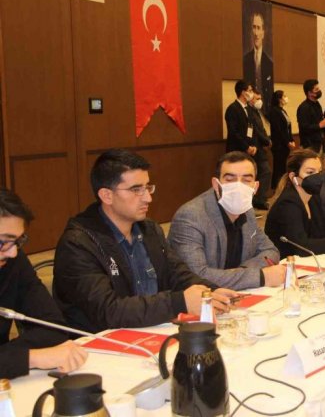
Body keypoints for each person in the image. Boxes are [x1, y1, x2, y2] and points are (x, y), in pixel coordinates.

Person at [53, 149, 238, 333]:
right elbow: (108, 311)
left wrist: (210, 292)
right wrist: (179, 302)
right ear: (107, 195)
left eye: (148, 187)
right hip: (100, 341)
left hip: (152, 330)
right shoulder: (78, 244)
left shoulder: (149, 229)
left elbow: (177, 274)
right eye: (136, 190)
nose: (148, 198)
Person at [0, 189, 88, 379]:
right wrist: (29, 358)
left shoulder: (12, 261)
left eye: (18, 241)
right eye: (3, 243)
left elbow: (53, 327)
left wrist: (8, 359)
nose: (13, 252)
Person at [168, 152, 284, 291]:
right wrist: (259, 276)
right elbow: (196, 277)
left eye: (246, 180)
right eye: (230, 179)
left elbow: (270, 251)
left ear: (255, 187)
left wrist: (240, 272)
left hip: (235, 295)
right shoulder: (191, 216)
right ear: (216, 185)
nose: (238, 186)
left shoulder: (247, 210)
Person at [265, 149, 325, 258]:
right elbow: (301, 247)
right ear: (293, 177)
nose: (317, 177)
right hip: (286, 263)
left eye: (319, 172)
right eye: (310, 172)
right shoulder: (288, 204)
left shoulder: (313, 197)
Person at [247, 89, 272, 209]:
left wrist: (267, 139)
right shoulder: (249, 112)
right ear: (251, 100)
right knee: (265, 172)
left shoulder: (256, 111)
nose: (260, 101)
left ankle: (259, 198)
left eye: (260, 98)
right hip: (255, 148)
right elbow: (256, 131)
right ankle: (259, 199)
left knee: (263, 173)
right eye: (257, 99)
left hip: (261, 147)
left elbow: (262, 129)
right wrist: (266, 141)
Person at [242, 12, 273, 108]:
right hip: (249, 107)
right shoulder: (245, 60)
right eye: (254, 27)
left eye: (258, 28)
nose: (256, 33)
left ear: (263, 33)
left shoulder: (269, 63)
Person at [268, 90, 296, 189]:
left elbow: (288, 127)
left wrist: (292, 140)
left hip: (285, 145)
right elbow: (278, 130)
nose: (286, 98)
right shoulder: (274, 111)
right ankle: (277, 187)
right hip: (279, 145)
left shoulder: (283, 111)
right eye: (284, 96)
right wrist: (287, 142)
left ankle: (283, 186)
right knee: (278, 167)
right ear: (279, 99)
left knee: (284, 166)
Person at [297, 79, 325, 153]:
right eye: (316, 89)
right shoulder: (303, 107)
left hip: (320, 143)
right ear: (309, 93)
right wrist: (319, 126)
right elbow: (304, 128)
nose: (319, 91)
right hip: (309, 146)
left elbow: (320, 122)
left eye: (319, 88)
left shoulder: (317, 104)